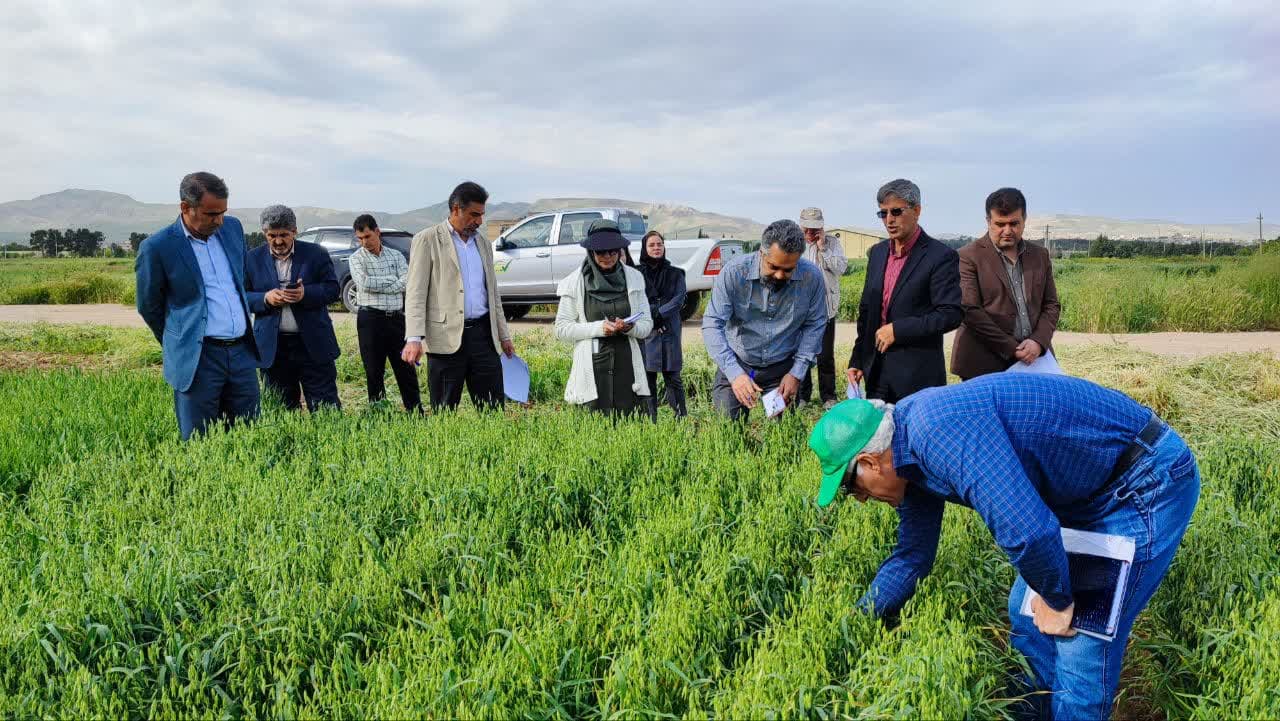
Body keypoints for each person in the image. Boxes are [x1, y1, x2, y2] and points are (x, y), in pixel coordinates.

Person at [808, 374, 1200, 720]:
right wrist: (854, 622)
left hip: (1141, 481)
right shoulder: (907, 454)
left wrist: (1059, 600)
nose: (861, 499)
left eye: (852, 487)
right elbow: (912, 557)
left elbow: (1028, 532)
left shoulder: (935, 433)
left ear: (871, 462)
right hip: (1084, 491)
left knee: (1080, 640)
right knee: (1026, 616)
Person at [135, 171, 261, 440]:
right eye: (211, 214)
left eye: (223, 212)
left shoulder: (233, 229)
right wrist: (182, 340)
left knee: (249, 436)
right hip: (199, 359)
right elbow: (149, 306)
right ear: (185, 207)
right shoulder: (158, 247)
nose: (219, 220)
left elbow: (239, 281)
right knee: (199, 440)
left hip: (241, 354)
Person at [402, 181, 515, 411]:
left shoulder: (483, 243)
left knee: (493, 408)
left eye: (482, 215)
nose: (479, 221)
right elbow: (415, 292)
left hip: (483, 337)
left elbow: (493, 294)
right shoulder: (427, 240)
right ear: (456, 209)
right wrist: (413, 338)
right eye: (474, 214)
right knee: (444, 410)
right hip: (445, 339)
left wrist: (503, 335)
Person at [847, 179, 962, 403]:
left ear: (917, 210)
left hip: (917, 377)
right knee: (879, 426)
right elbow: (867, 312)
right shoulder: (878, 253)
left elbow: (950, 314)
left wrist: (898, 330)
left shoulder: (940, 256)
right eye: (883, 213)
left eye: (896, 211)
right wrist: (858, 359)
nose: (889, 220)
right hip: (876, 372)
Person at [702, 219, 827, 420]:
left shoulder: (811, 278)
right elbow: (712, 324)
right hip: (739, 363)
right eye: (773, 266)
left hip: (782, 369)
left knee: (782, 431)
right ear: (762, 253)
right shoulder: (734, 273)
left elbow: (815, 325)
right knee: (728, 427)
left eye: (788, 269)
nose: (779, 275)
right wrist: (734, 374)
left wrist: (796, 373)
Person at [951, 187, 1061, 380]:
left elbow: (1051, 304)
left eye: (1014, 223)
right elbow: (970, 310)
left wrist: (1038, 341)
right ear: (988, 221)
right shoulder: (968, 256)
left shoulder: (1040, 255)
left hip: (1035, 362)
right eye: (1000, 224)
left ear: (1024, 220)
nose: (1007, 231)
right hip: (983, 363)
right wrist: (1012, 348)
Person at [244, 205, 341, 411]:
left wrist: (306, 294)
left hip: (313, 344)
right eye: (272, 236)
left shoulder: (316, 254)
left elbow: (333, 289)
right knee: (281, 409)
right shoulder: (251, 258)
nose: (278, 241)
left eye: (284, 235)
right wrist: (265, 298)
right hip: (274, 348)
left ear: (294, 231)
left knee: (325, 408)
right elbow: (242, 297)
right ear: (264, 233)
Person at [554, 219, 653, 417]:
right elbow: (561, 329)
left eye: (613, 251)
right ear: (591, 252)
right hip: (592, 367)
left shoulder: (635, 278)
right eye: (601, 252)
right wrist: (599, 328)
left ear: (620, 250)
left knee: (630, 424)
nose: (607, 256)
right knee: (594, 426)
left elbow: (646, 325)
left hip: (627, 367)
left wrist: (630, 327)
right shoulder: (574, 282)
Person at [349, 214, 421, 412]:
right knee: (374, 369)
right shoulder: (356, 259)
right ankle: (379, 413)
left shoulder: (396, 255)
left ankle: (415, 411)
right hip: (370, 320)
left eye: (368, 236)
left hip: (396, 318)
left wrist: (382, 284)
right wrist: (392, 280)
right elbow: (364, 283)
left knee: (406, 367)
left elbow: (407, 281)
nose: (365, 242)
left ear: (377, 232)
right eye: (360, 238)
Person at [797, 207, 848, 408]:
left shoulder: (832, 243)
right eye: (807, 229)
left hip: (825, 307)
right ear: (801, 226)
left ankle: (828, 396)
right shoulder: (795, 243)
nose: (810, 233)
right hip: (801, 308)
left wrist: (823, 248)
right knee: (801, 353)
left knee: (825, 355)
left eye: (814, 229)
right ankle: (803, 396)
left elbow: (841, 268)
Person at [637, 230, 687, 418]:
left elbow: (679, 299)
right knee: (648, 378)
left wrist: (659, 314)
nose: (656, 248)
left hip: (669, 330)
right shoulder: (636, 274)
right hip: (647, 331)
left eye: (659, 244)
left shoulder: (676, 273)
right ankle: (651, 422)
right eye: (652, 245)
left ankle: (681, 419)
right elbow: (636, 300)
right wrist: (652, 317)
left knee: (673, 378)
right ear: (645, 248)